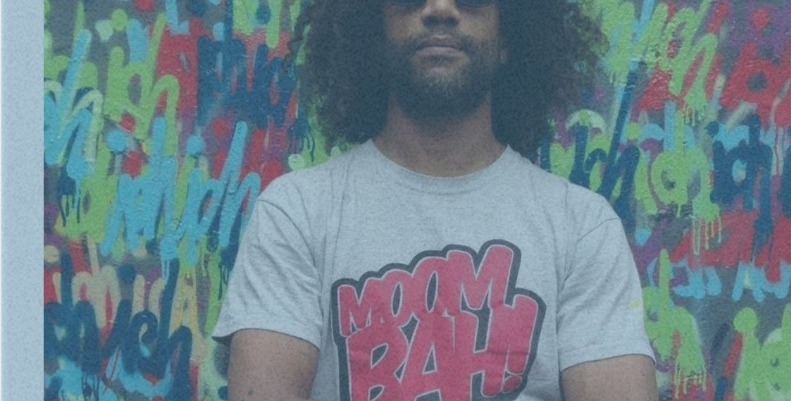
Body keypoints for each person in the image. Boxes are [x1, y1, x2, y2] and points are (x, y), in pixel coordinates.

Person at [213, 0, 658, 400]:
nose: (440, 8)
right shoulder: (297, 213)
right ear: (373, 30)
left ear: (509, 37)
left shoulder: (581, 226)